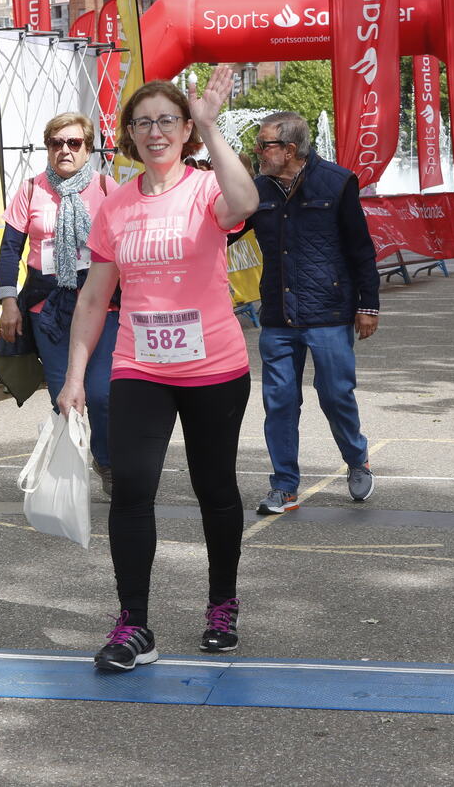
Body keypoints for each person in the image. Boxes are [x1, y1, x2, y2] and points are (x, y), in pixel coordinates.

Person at [56, 66, 259, 671]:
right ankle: (133, 623)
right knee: (132, 489)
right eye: (142, 123)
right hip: (139, 367)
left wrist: (210, 125)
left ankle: (221, 604)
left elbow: (246, 201)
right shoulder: (115, 206)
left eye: (167, 120)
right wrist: (73, 376)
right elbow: (95, 298)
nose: (155, 131)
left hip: (214, 367)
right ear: (128, 135)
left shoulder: (204, 189)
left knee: (214, 487)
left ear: (185, 129)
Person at [242, 111, 381, 516]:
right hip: (278, 318)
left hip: (329, 313)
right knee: (279, 402)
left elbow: (361, 250)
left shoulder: (337, 183)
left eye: (265, 144)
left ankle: (357, 459)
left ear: (289, 149)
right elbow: (227, 228)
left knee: (335, 395)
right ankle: (284, 486)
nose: (258, 151)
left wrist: (367, 306)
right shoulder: (258, 189)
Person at [0, 113, 119, 493]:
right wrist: (8, 302)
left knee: (100, 393)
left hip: (101, 303)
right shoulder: (31, 189)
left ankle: (107, 459)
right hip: (46, 307)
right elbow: (9, 251)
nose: (64, 150)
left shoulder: (105, 187)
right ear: (48, 147)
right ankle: (66, 477)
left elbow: (125, 246)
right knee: (61, 395)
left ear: (87, 148)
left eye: (74, 143)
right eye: (56, 143)